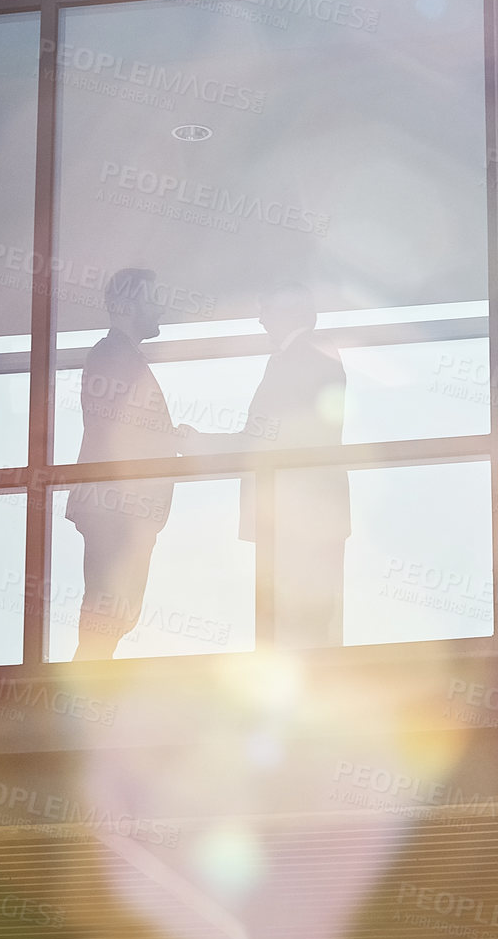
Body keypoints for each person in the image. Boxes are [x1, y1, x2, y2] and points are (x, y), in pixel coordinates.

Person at [180, 281, 350, 646]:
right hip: (303, 512)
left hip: (298, 513)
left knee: (297, 626)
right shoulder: (309, 355)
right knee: (304, 625)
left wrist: (199, 444)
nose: (260, 320)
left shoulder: (302, 357)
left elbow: (262, 441)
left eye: (266, 310)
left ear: (289, 311)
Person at [66, 268, 185, 660]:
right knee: (108, 611)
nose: (161, 309)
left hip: (122, 506)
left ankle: (84, 693)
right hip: (116, 507)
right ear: (124, 306)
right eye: (152, 300)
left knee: (115, 612)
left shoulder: (121, 357)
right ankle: (80, 698)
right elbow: (117, 427)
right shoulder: (111, 356)